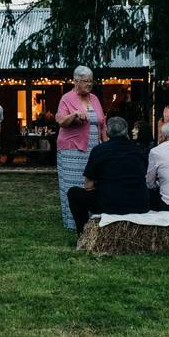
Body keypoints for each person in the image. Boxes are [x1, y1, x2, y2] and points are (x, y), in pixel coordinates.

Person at [66, 117, 149, 234]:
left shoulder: (98, 150)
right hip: (139, 203)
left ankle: (83, 233)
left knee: (73, 193)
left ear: (107, 132)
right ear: (126, 131)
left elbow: (88, 186)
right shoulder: (139, 150)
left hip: (109, 204)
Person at [55, 65, 107, 230]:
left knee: (91, 183)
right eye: (85, 81)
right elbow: (61, 121)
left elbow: (102, 122)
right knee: (74, 184)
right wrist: (75, 114)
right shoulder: (66, 98)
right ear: (76, 81)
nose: (89, 84)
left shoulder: (95, 99)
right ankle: (73, 222)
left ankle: (92, 220)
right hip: (72, 149)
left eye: (91, 81)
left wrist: (105, 143)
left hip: (93, 148)